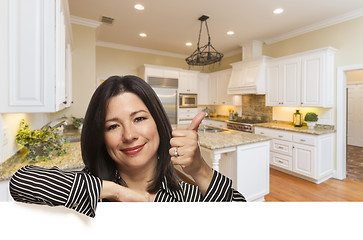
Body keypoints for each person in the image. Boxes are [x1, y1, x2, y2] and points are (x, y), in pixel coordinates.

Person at [9, 75, 245, 218]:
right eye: (112, 126)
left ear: (158, 123)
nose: (129, 135)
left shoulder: (188, 197)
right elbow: (21, 182)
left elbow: (246, 223)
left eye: (139, 119)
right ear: (101, 136)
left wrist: (199, 169)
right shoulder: (88, 193)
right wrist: (118, 192)